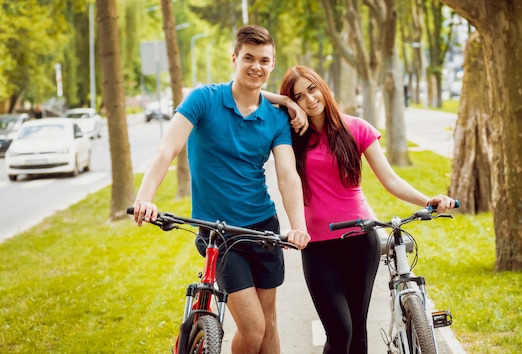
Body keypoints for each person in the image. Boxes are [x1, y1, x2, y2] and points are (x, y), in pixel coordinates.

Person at [131, 25, 311, 353]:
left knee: (269, 323)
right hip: (220, 232)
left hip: (263, 228)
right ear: (234, 58)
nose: (256, 66)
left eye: (264, 60)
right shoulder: (204, 100)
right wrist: (145, 198)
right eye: (248, 58)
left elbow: (287, 176)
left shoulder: (275, 119)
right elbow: (166, 150)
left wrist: (297, 226)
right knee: (253, 328)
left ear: (272, 64)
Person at [279, 65, 457, 354]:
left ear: (323, 87)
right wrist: (284, 102)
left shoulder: (357, 128)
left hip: (361, 240)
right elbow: (258, 99)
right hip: (318, 246)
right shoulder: (291, 138)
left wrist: (427, 200)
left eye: (312, 89)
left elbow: (390, 179)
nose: (309, 99)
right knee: (339, 332)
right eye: (298, 96)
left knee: (358, 332)